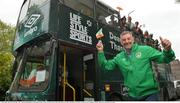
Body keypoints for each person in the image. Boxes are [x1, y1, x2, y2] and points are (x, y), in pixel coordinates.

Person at [96, 31, 175, 101]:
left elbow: (164, 59)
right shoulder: (119, 57)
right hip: (132, 97)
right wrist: (100, 51)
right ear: (121, 42)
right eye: (124, 40)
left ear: (133, 39)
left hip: (150, 95)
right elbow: (106, 66)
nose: (127, 41)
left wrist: (168, 50)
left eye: (128, 39)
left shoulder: (145, 50)